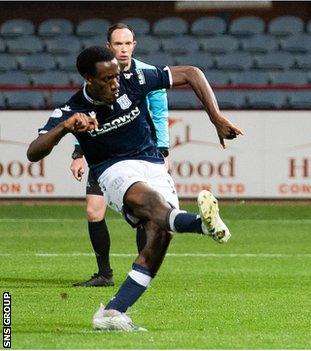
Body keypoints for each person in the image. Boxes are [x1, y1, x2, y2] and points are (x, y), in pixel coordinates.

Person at [27, 46, 243, 331]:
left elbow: (191, 73)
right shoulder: (73, 110)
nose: (115, 83)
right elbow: (33, 152)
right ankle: (202, 225)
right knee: (154, 205)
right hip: (114, 170)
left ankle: (113, 311)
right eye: (107, 79)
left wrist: (216, 118)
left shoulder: (134, 80)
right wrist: (65, 128)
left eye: (116, 76)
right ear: (88, 79)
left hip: (153, 164)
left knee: (161, 234)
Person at [70, 23, 170, 288]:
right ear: (109, 47)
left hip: (141, 155)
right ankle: (104, 274)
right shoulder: (99, 74)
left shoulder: (148, 74)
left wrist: (163, 150)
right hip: (104, 155)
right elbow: (85, 117)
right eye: (118, 44)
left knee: (145, 214)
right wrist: (78, 153)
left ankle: (143, 270)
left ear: (134, 45)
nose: (123, 49)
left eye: (128, 44)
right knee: (93, 211)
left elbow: (159, 115)